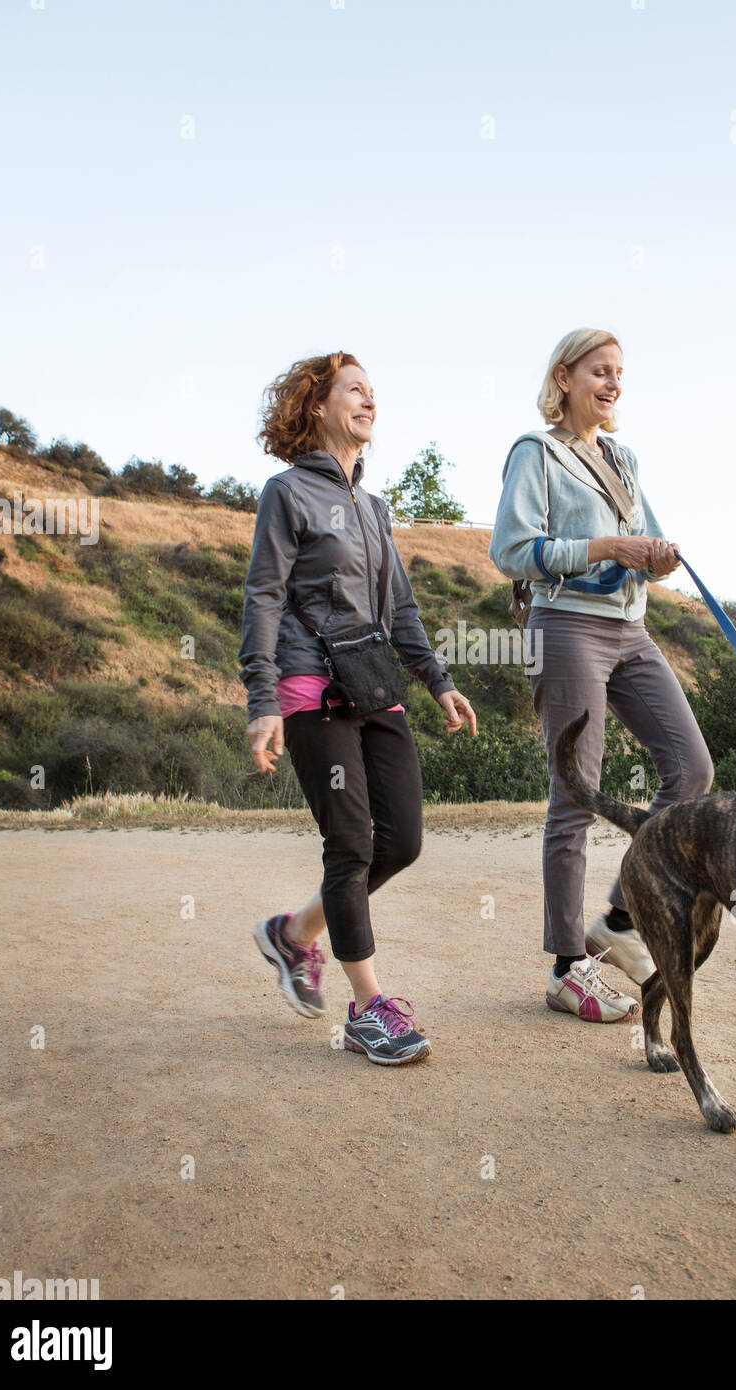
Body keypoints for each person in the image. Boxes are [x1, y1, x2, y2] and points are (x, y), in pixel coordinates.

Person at [239, 351, 476, 1065]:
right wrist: (262, 700)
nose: (369, 402)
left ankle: (295, 933)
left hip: (375, 685)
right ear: (317, 405)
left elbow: (399, 605)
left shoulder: (375, 509)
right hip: (311, 688)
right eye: (354, 391)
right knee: (351, 846)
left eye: (374, 392)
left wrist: (436, 679)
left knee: (400, 841)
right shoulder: (286, 494)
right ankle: (370, 1009)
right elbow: (264, 597)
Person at [489, 328, 714, 1023]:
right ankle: (565, 968)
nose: (613, 383)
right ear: (565, 375)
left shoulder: (622, 456)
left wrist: (655, 556)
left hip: (631, 630)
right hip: (567, 627)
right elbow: (513, 549)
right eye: (599, 370)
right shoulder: (538, 452)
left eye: (619, 372)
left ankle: (617, 919)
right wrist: (609, 545)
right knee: (577, 794)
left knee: (692, 771)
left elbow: (634, 541)